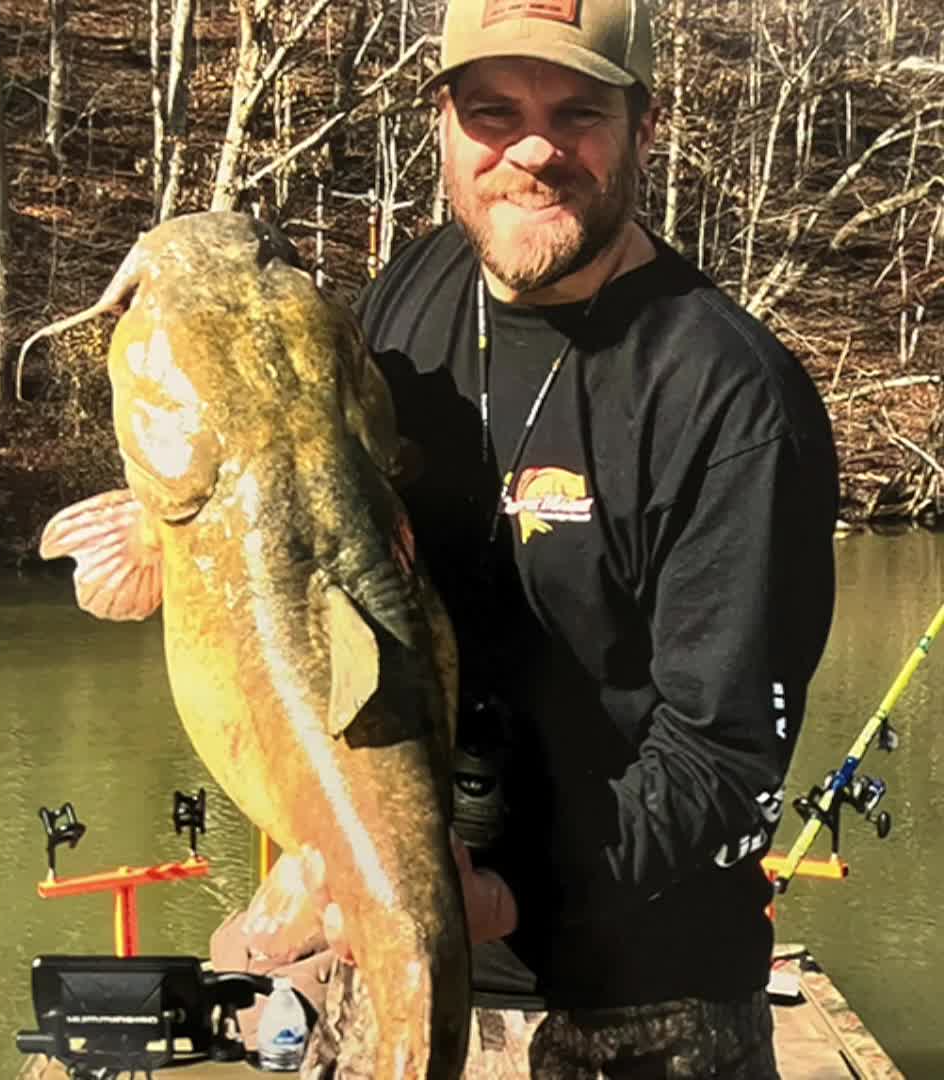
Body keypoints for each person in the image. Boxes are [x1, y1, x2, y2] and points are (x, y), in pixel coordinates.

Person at [213, 0, 837, 1074]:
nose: (533, 152)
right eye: (493, 111)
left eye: (577, 112)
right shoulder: (410, 295)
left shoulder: (734, 401)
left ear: (645, 127)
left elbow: (724, 759)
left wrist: (498, 893)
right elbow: (319, 565)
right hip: (393, 951)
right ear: (444, 125)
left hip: (646, 999)